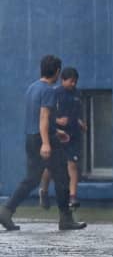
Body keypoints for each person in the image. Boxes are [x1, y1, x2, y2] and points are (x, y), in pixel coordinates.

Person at [0, 55, 86, 232]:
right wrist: (47, 142)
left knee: (32, 179)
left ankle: (6, 210)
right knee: (62, 176)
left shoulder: (32, 88)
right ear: (56, 72)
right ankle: (66, 219)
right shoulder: (49, 90)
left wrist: (56, 132)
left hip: (31, 138)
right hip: (42, 139)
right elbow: (44, 117)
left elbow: (36, 117)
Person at [40, 67, 85, 211]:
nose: (73, 84)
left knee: (73, 164)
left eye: (75, 81)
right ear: (63, 80)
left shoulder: (77, 94)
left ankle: (73, 197)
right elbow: (47, 116)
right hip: (58, 135)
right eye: (71, 81)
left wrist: (81, 122)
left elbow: (78, 113)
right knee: (51, 167)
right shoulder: (55, 93)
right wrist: (58, 121)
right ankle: (44, 190)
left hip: (73, 136)